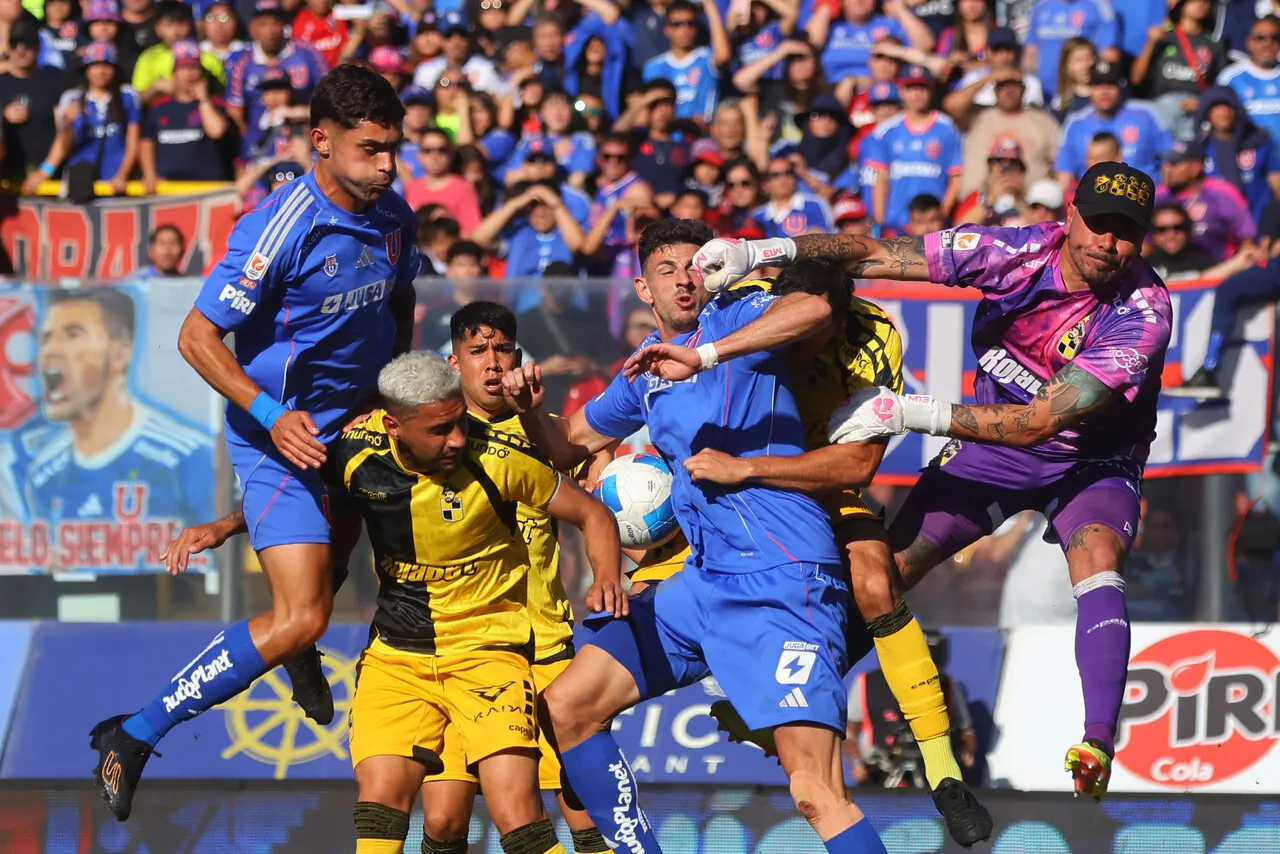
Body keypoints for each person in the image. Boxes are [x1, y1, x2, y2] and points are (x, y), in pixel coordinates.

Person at [695, 160, 1171, 803]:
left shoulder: (1144, 311)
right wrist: (759, 249)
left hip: (1092, 459)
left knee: (1098, 556)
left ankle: (1097, 741)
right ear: (1070, 216)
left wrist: (911, 413)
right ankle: (778, 698)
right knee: (884, 575)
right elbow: (873, 254)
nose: (1109, 245)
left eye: (1127, 233)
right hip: (991, 451)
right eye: (1100, 225)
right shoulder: (1012, 253)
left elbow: (1039, 424)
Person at [88, 64, 420, 822]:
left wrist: (385, 393)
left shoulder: (396, 215)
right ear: (321, 142)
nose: (388, 165)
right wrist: (272, 414)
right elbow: (197, 337)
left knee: (325, 584)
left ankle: (298, 653)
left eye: (394, 148)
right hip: (280, 437)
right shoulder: (280, 225)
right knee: (302, 613)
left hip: (354, 427)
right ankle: (133, 734)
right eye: (372, 150)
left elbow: (398, 305)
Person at [501, 219, 891, 854]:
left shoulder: (744, 317)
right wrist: (526, 408)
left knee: (815, 791)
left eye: (695, 265)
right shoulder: (644, 373)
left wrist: (708, 354)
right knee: (568, 707)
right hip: (703, 583)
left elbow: (819, 303)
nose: (684, 278)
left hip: (782, 576)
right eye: (666, 270)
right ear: (642, 289)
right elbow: (569, 442)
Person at [162, 350, 624, 854]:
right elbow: (293, 503)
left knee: (518, 816)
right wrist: (224, 526)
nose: (455, 439)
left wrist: (606, 578)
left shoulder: (497, 458)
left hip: (488, 655)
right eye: (439, 430)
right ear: (394, 425)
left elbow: (593, 515)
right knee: (396, 812)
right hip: (398, 660)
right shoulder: (356, 455)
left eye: (458, 424)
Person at [630, 257, 991, 847]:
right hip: (727, 498)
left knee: (875, 580)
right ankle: (741, 703)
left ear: (835, 323)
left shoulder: (874, 341)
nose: (795, 345)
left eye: (810, 331)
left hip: (808, 483)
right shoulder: (743, 306)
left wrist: (748, 468)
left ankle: (944, 771)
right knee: (645, 601)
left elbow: (857, 464)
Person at [25, 287, 214, 532]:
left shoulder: (185, 459)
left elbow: (215, 555)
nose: (50, 351)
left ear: (120, 352)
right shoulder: (44, 476)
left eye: (73, 334)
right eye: (46, 338)